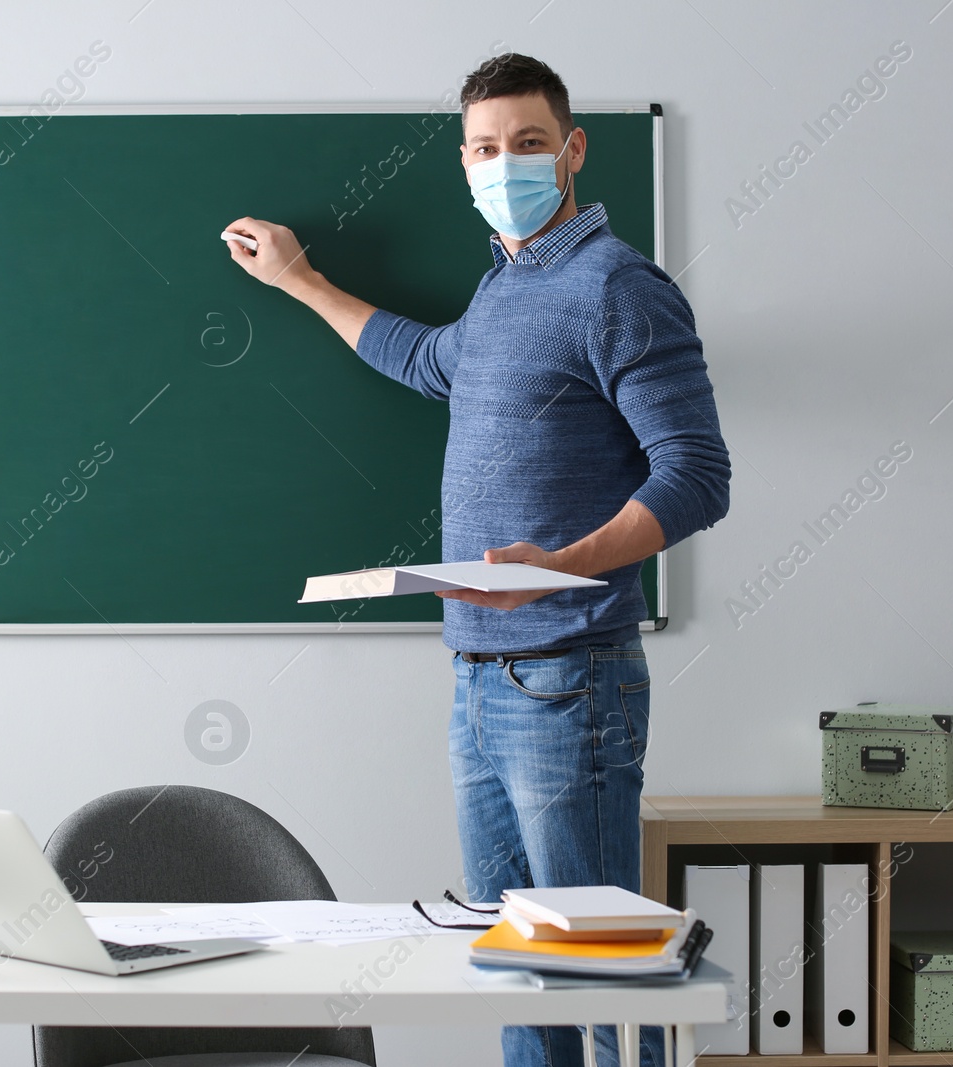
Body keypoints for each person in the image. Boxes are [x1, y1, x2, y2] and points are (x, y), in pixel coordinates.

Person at [225, 53, 730, 1067]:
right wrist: (300, 281)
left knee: (597, 972)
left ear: (574, 149)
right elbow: (425, 359)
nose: (508, 164)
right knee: (512, 961)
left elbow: (697, 473)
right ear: (464, 162)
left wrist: (570, 560)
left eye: (529, 143)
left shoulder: (617, 286)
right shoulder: (504, 286)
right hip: (477, 675)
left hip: (568, 675)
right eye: (487, 148)